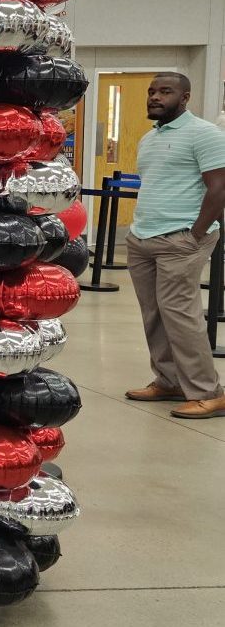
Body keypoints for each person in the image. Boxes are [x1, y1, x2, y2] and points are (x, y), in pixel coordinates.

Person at [125, 72, 225, 419]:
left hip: (180, 239)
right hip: (142, 238)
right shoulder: (148, 139)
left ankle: (208, 392)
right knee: (154, 315)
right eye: (152, 91)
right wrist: (136, 233)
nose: (155, 97)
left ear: (185, 97)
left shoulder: (205, 134)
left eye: (165, 91)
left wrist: (194, 234)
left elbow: (218, 189)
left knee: (181, 316)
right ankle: (169, 380)